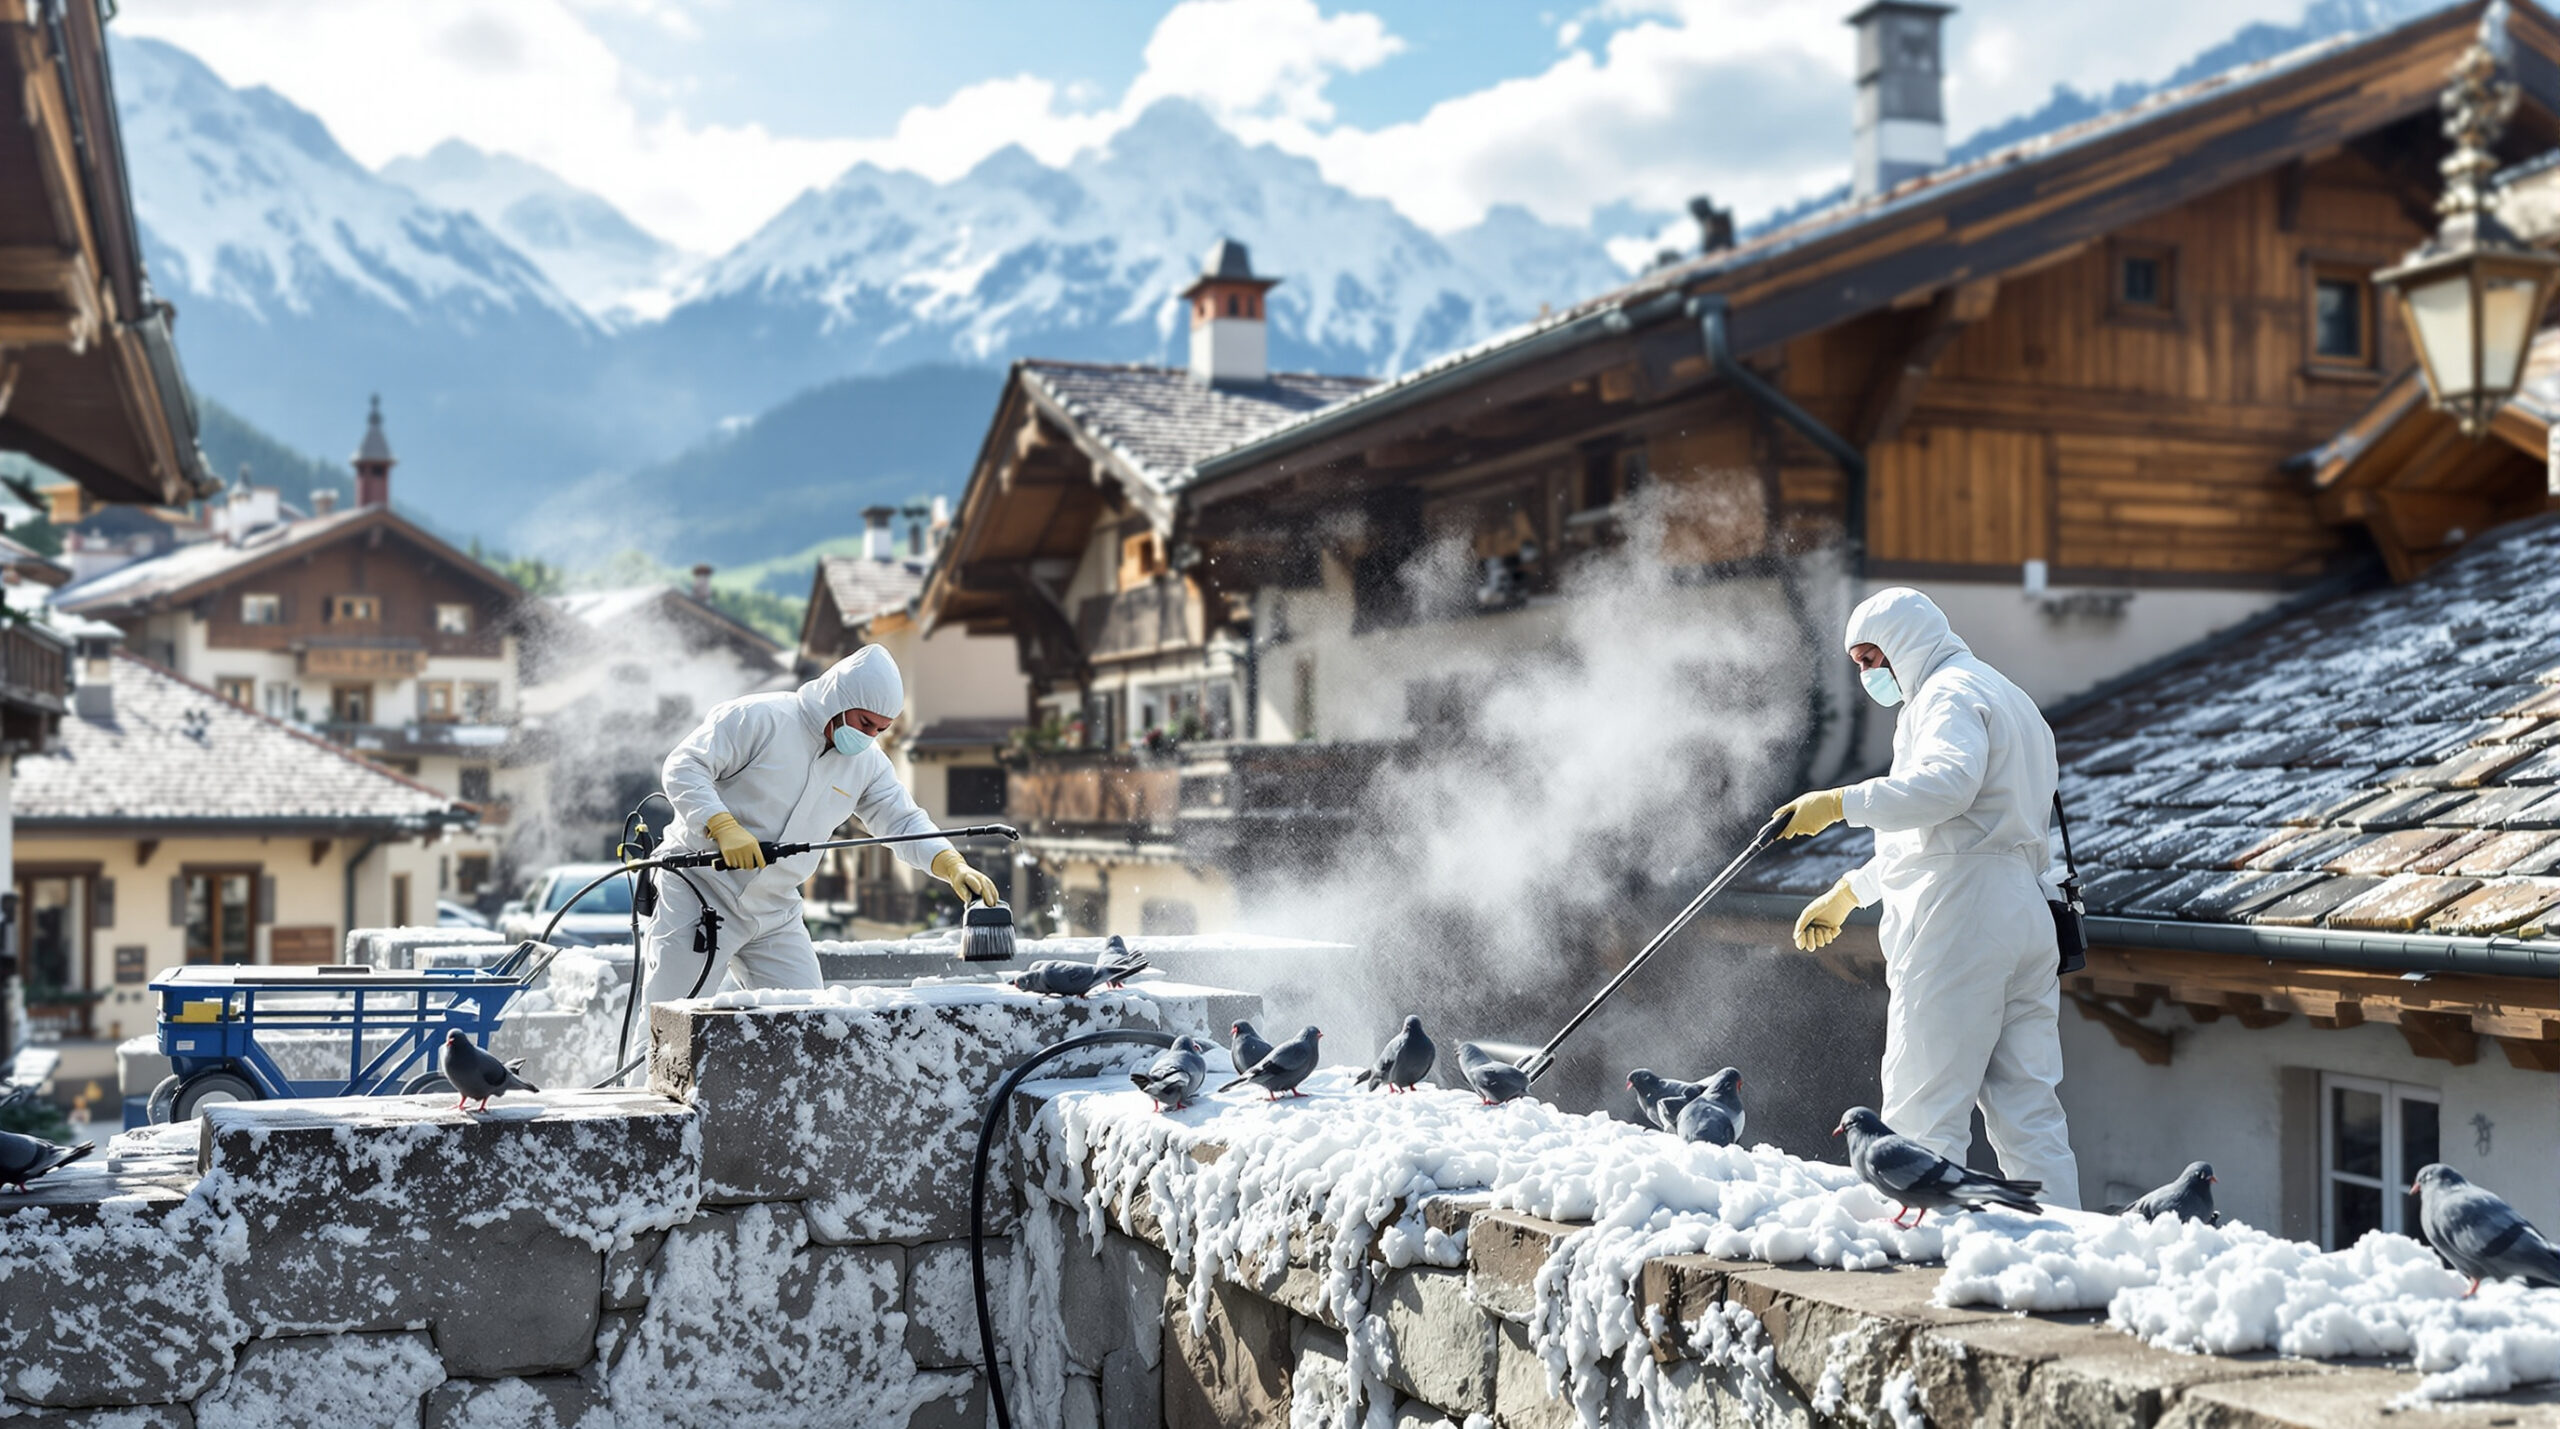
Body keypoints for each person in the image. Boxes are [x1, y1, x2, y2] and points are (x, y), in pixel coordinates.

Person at [1770, 587, 2081, 1209]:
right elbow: (1949, 837)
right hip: (2024, 909)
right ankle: (2068, 1251)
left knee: (1922, 1104)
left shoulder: (1944, 695)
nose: (1867, 674)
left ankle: (1918, 1256)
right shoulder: (2007, 696)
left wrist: (1840, 804)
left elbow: (1946, 791)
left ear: (1905, 643)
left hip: (1960, 917)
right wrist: (1850, 891)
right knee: (2028, 1110)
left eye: (1869, 658)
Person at [641, 645, 1000, 1005]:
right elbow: (685, 765)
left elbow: (902, 819)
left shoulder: (866, 764)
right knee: (666, 1019)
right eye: (864, 723)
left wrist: (950, 864)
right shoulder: (761, 718)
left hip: (776, 911)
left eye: (880, 729)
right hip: (699, 892)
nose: (869, 736)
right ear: (837, 699)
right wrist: (721, 825)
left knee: (806, 1023)